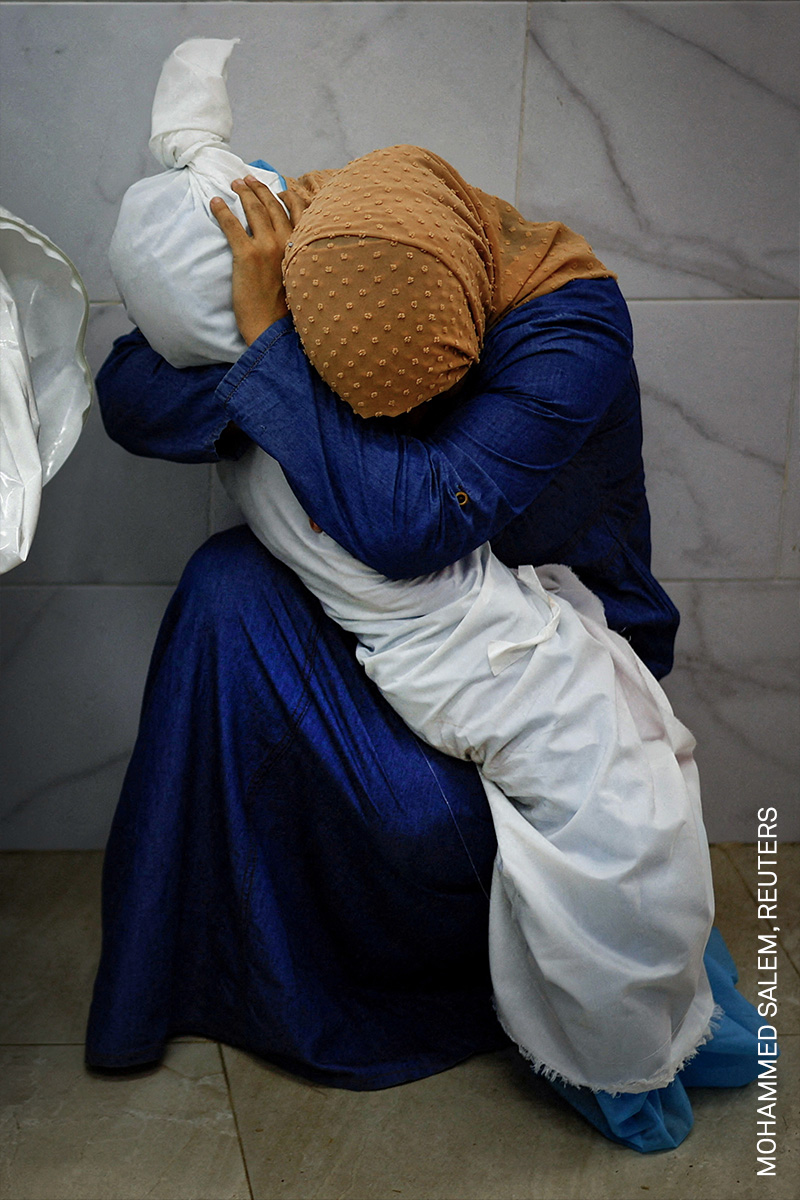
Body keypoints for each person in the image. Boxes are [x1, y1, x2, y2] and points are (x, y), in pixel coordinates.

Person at [87, 147, 761, 1153]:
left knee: (432, 810)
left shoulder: (567, 330)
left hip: (534, 630)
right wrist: (263, 329)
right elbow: (133, 395)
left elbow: (409, 522)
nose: (379, 400)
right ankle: (193, 973)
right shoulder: (340, 251)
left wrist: (273, 347)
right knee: (227, 585)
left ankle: (581, 1011)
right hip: (393, 613)